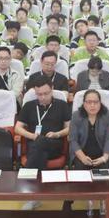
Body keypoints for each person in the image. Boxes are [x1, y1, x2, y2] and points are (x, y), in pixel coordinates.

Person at [14, 76, 71, 210]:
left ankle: (29, 190)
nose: (43, 97)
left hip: (55, 144)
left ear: (52, 89)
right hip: (35, 145)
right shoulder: (29, 106)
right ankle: (36, 195)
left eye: (46, 93)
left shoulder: (62, 105)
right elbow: (17, 128)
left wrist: (57, 134)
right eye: (39, 94)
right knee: (39, 146)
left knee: (41, 144)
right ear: (35, 92)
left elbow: (70, 128)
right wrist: (33, 136)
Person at [69, 89, 109, 218]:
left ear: (100, 103)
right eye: (89, 102)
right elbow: (73, 139)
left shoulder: (108, 115)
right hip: (82, 153)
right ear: (84, 104)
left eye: (95, 102)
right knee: (78, 171)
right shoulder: (77, 116)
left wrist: (105, 156)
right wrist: (81, 157)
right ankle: (69, 201)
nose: (92, 105)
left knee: (108, 171)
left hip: (103, 153)